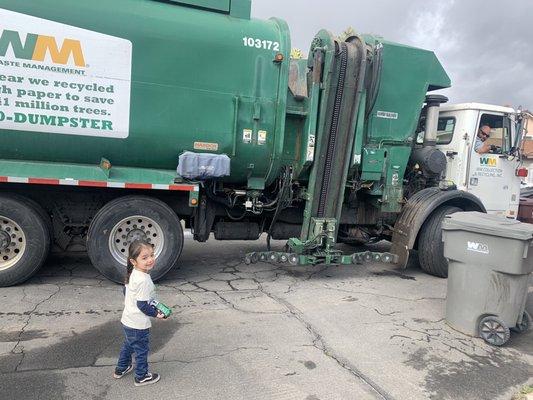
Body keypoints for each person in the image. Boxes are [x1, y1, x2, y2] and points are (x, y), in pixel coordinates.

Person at [114, 239, 166, 386]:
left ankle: (121, 368)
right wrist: (157, 314)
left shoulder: (133, 273)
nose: (150, 260)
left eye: (151, 255)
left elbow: (126, 291)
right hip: (138, 324)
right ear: (133, 261)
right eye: (144, 257)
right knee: (141, 350)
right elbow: (142, 305)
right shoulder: (143, 280)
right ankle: (141, 376)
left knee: (129, 345)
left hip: (128, 320)